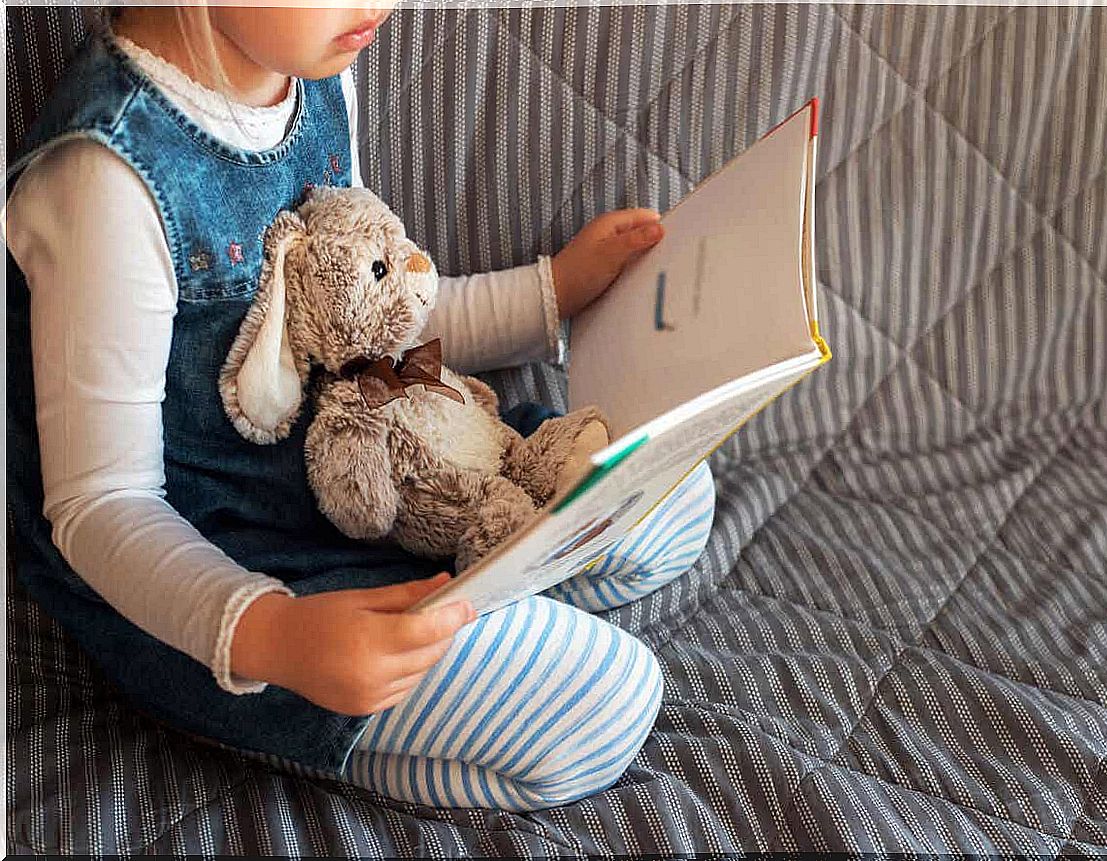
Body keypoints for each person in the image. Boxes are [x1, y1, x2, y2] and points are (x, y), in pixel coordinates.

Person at [4, 5, 717, 811]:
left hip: (380, 461)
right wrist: (276, 638)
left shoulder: (316, 65)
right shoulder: (105, 179)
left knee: (682, 494)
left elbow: (376, 320)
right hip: (233, 583)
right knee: (608, 704)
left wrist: (548, 294)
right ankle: (295, 721)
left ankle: (488, 570)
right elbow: (101, 507)